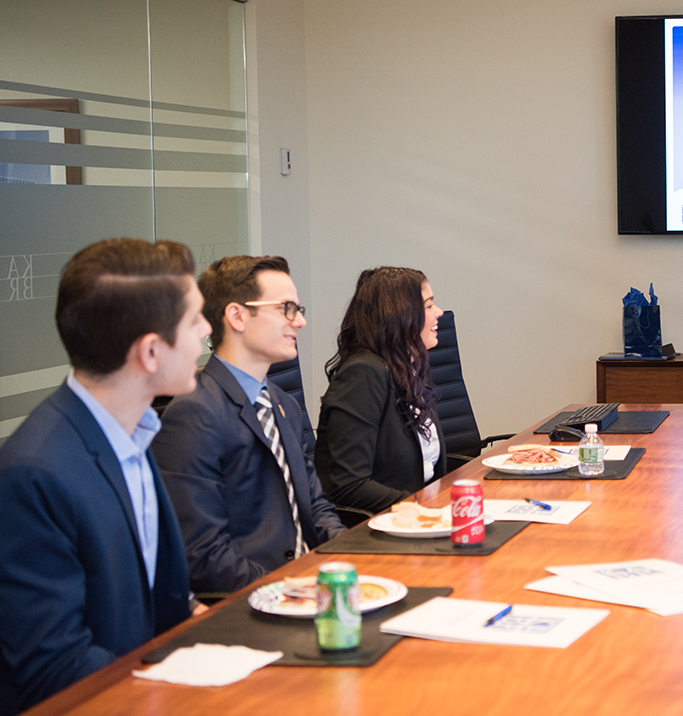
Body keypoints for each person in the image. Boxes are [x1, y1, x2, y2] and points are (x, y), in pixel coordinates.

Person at [0, 239, 207, 714]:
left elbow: (161, 602)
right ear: (151, 352)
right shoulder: (36, 475)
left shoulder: (131, 433)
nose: (206, 331)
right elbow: (56, 669)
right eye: (194, 320)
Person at [153, 255, 344, 595]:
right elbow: (204, 556)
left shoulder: (282, 403)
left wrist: (347, 560)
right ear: (237, 316)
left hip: (310, 585)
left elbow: (316, 505)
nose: (298, 321)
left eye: (299, 309)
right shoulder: (194, 414)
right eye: (286, 308)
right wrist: (287, 590)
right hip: (253, 604)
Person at [315, 267, 447, 514]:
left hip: (419, 515)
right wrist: (425, 510)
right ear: (401, 315)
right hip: (376, 528)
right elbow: (348, 486)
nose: (439, 312)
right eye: (429, 306)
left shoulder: (413, 367)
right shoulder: (363, 375)